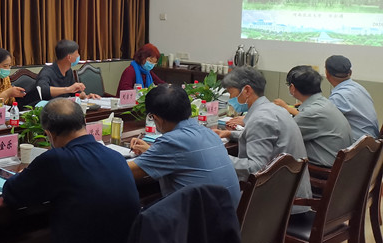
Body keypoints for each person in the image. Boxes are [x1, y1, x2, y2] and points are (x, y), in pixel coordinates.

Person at [0, 98, 140, 243]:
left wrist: (27, 174)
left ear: (49, 134)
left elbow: (12, 193)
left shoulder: (56, 159)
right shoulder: (115, 157)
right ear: (84, 123)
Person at [214, 67, 312, 212]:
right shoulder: (275, 109)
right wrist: (229, 134)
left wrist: (218, 157)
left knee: (211, 201)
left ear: (247, 90)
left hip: (277, 207)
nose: (230, 99)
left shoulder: (261, 119)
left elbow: (256, 168)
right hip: (291, 195)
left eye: (231, 92)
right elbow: (266, 138)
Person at [128, 84, 241, 207]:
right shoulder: (209, 133)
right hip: (230, 214)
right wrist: (151, 151)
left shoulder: (171, 141)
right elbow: (182, 156)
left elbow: (128, 171)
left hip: (200, 218)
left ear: (156, 118)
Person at [276, 65, 352, 168]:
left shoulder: (312, 113)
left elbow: (282, 138)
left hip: (323, 170)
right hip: (340, 166)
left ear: (292, 88)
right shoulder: (325, 103)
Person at [324, 55, 380, 141]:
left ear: (327, 74)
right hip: (372, 142)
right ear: (350, 72)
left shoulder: (338, 97)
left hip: (357, 145)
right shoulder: (359, 88)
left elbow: (322, 122)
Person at [35, 39, 100, 100]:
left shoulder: (68, 71)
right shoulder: (47, 72)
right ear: (69, 57)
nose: (78, 56)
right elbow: (42, 90)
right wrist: (67, 89)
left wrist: (86, 96)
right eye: (77, 53)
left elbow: (73, 93)